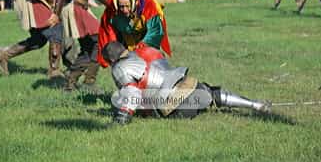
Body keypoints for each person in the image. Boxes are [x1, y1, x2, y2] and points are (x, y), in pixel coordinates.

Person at [102, 41, 271, 125]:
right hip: (192, 86)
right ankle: (255, 104)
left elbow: (132, 93)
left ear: (111, 60)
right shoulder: (146, 50)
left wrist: (122, 117)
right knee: (212, 93)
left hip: (176, 108)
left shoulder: (120, 67)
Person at [98, 0, 172, 68]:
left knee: (151, 62)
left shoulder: (149, 6)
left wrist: (142, 47)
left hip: (145, 36)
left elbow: (154, 31)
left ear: (135, 3)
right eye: (121, 6)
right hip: (127, 38)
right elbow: (107, 32)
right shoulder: (113, 11)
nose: (124, 10)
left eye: (127, 6)